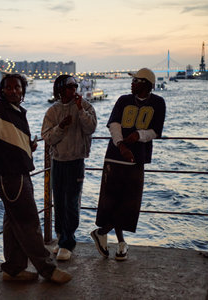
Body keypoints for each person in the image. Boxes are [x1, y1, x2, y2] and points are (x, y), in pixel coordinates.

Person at [0, 74, 72, 284]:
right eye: (8, 88)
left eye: (17, 87)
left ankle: (14, 268)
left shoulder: (16, 112)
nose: (13, 91)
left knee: (12, 222)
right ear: (2, 90)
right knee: (29, 222)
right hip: (9, 176)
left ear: (23, 91)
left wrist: (29, 146)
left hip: (19, 172)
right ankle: (47, 269)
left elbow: (10, 139)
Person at [90, 68, 166, 261]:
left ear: (146, 84)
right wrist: (121, 145)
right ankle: (120, 242)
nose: (132, 84)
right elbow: (114, 124)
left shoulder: (158, 103)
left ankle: (104, 233)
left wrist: (139, 135)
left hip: (137, 158)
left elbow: (156, 131)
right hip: (115, 157)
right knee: (112, 202)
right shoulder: (123, 100)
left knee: (129, 203)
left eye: (136, 81)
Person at [42, 75, 97, 261]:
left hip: (76, 160)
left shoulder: (85, 106)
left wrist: (80, 110)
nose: (74, 90)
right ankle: (61, 238)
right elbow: (48, 138)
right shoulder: (53, 111)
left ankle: (68, 242)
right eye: (69, 86)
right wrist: (61, 127)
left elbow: (91, 128)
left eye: (75, 86)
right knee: (58, 201)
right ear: (60, 89)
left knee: (72, 202)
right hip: (58, 161)